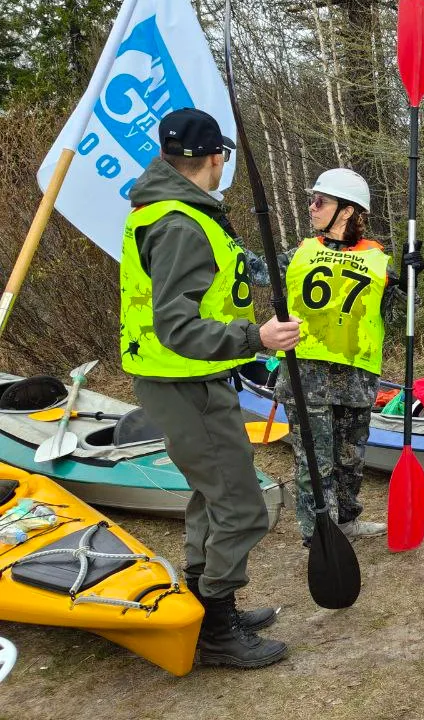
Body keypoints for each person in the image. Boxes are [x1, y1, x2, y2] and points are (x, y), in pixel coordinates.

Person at [119, 107, 300, 667]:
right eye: (224, 155)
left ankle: (208, 607)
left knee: (211, 496)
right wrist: (257, 337)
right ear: (212, 158)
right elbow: (179, 327)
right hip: (183, 382)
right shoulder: (179, 223)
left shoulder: (174, 209)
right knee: (242, 506)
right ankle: (218, 630)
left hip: (192, 378)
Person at [247, 168, 424, 547]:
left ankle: (346, 521)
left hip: (357, 378)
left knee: (349, 459)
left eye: (320, 201)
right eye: (313, 199)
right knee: (315, 462)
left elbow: (400, 317)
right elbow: (253, 269)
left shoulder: (378, 261)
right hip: (305, 376)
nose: (312, 207)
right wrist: (220, 237)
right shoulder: (301, 253)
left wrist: (409, 283)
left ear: (346, 212)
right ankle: (319, 537)